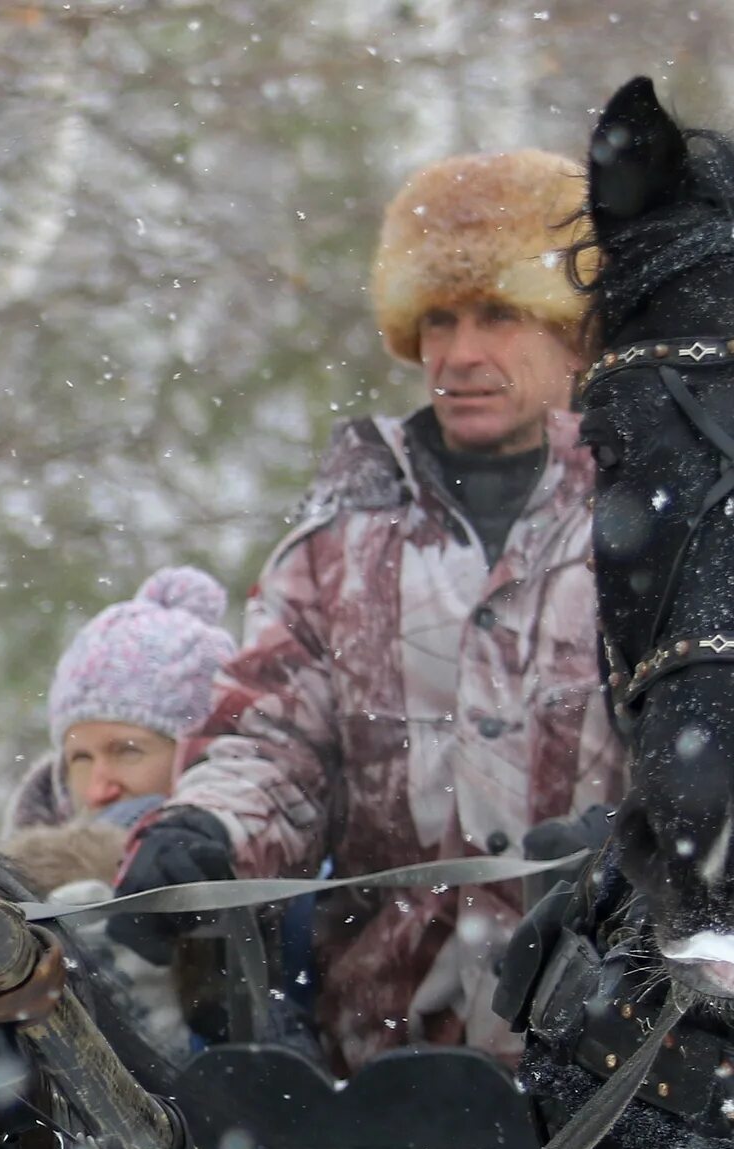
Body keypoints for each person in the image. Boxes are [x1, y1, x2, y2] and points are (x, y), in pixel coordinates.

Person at [112, 149, 622, 1073]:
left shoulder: (663, 519)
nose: (459, 355)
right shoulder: (345, 533)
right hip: (382, 1065)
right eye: (438, 320)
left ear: (576, 332)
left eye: (499, 315)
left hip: (621, 1056)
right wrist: (208, 832)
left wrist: (632, 846)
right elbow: (274, 741)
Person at [4, 567, 236, 1059]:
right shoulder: (3, 892)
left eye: (128, 750)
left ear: (200, 759)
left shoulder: (283, 897)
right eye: (80, 758)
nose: (100, 785)